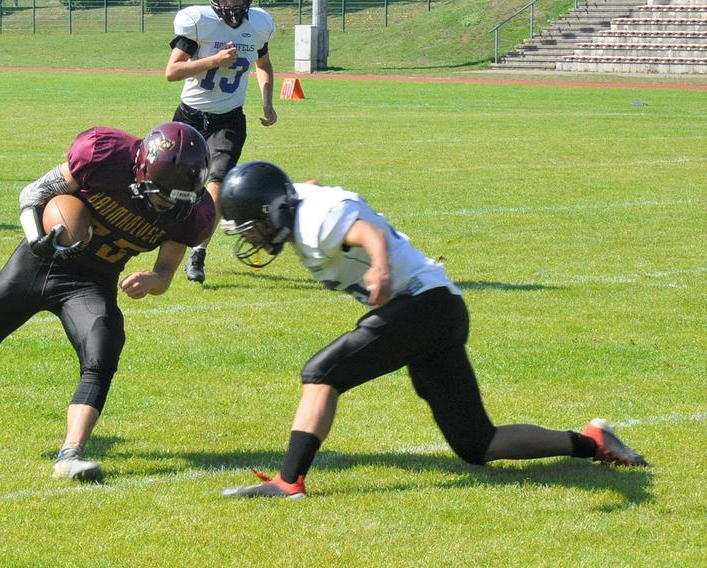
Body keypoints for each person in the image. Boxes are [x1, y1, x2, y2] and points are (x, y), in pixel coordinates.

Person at [216, 161, 648, 499]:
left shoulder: (317, 222)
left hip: (424, 304)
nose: (253, 239)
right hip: (437, 312)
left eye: (253, 227)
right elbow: (315, 193)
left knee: (322, 373)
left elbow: (363, 231)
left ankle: (289, 481)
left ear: (274, 210)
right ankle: (592, 442)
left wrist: (381, 267)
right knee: (478, 444)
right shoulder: (300, 203)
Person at [0, 122, 214, 482]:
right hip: (39, 262)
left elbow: (165, 273)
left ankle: (71, 454)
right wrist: (36, 237)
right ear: (140, 170)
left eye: (178, 198)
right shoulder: (103, 155)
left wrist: (153, 280)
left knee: (104, 344)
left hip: (93, 280)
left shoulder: (194, 213)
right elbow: (33, 193)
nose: (166, 206)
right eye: (161, 193)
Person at [165, 0, 277, 284]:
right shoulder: (199, 21)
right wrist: (213, 61)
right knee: (175, 186)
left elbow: (263, 64)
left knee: (216, 183)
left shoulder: (259, 25)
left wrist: (267, 102)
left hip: (228, 121)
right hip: (189, 117)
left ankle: (199, 250)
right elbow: (172, 71)